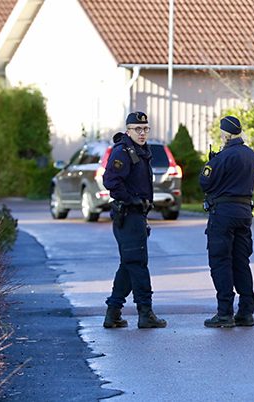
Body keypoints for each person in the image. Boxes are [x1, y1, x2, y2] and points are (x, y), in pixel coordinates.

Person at [102, 111, 167, 329]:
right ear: (128, 130)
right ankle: (145, 312)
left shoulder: (140, 150)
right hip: (128, 214)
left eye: (145, 129)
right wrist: (132, 200)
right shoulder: (123, 151)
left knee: (129, 264)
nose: (142, 133)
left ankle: (113, 313)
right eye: (137, 129)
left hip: (137, 215)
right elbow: (110, 181)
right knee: (138, 264)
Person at [199, 115, 254, 328]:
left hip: (223, 214)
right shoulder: (250, 154)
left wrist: (211, 161)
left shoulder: (223, 157)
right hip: (244, 213)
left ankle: (225, 312)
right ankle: (246, 312)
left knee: (220, 261)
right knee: (241, 262)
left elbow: (205, 182)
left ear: (225, 134)